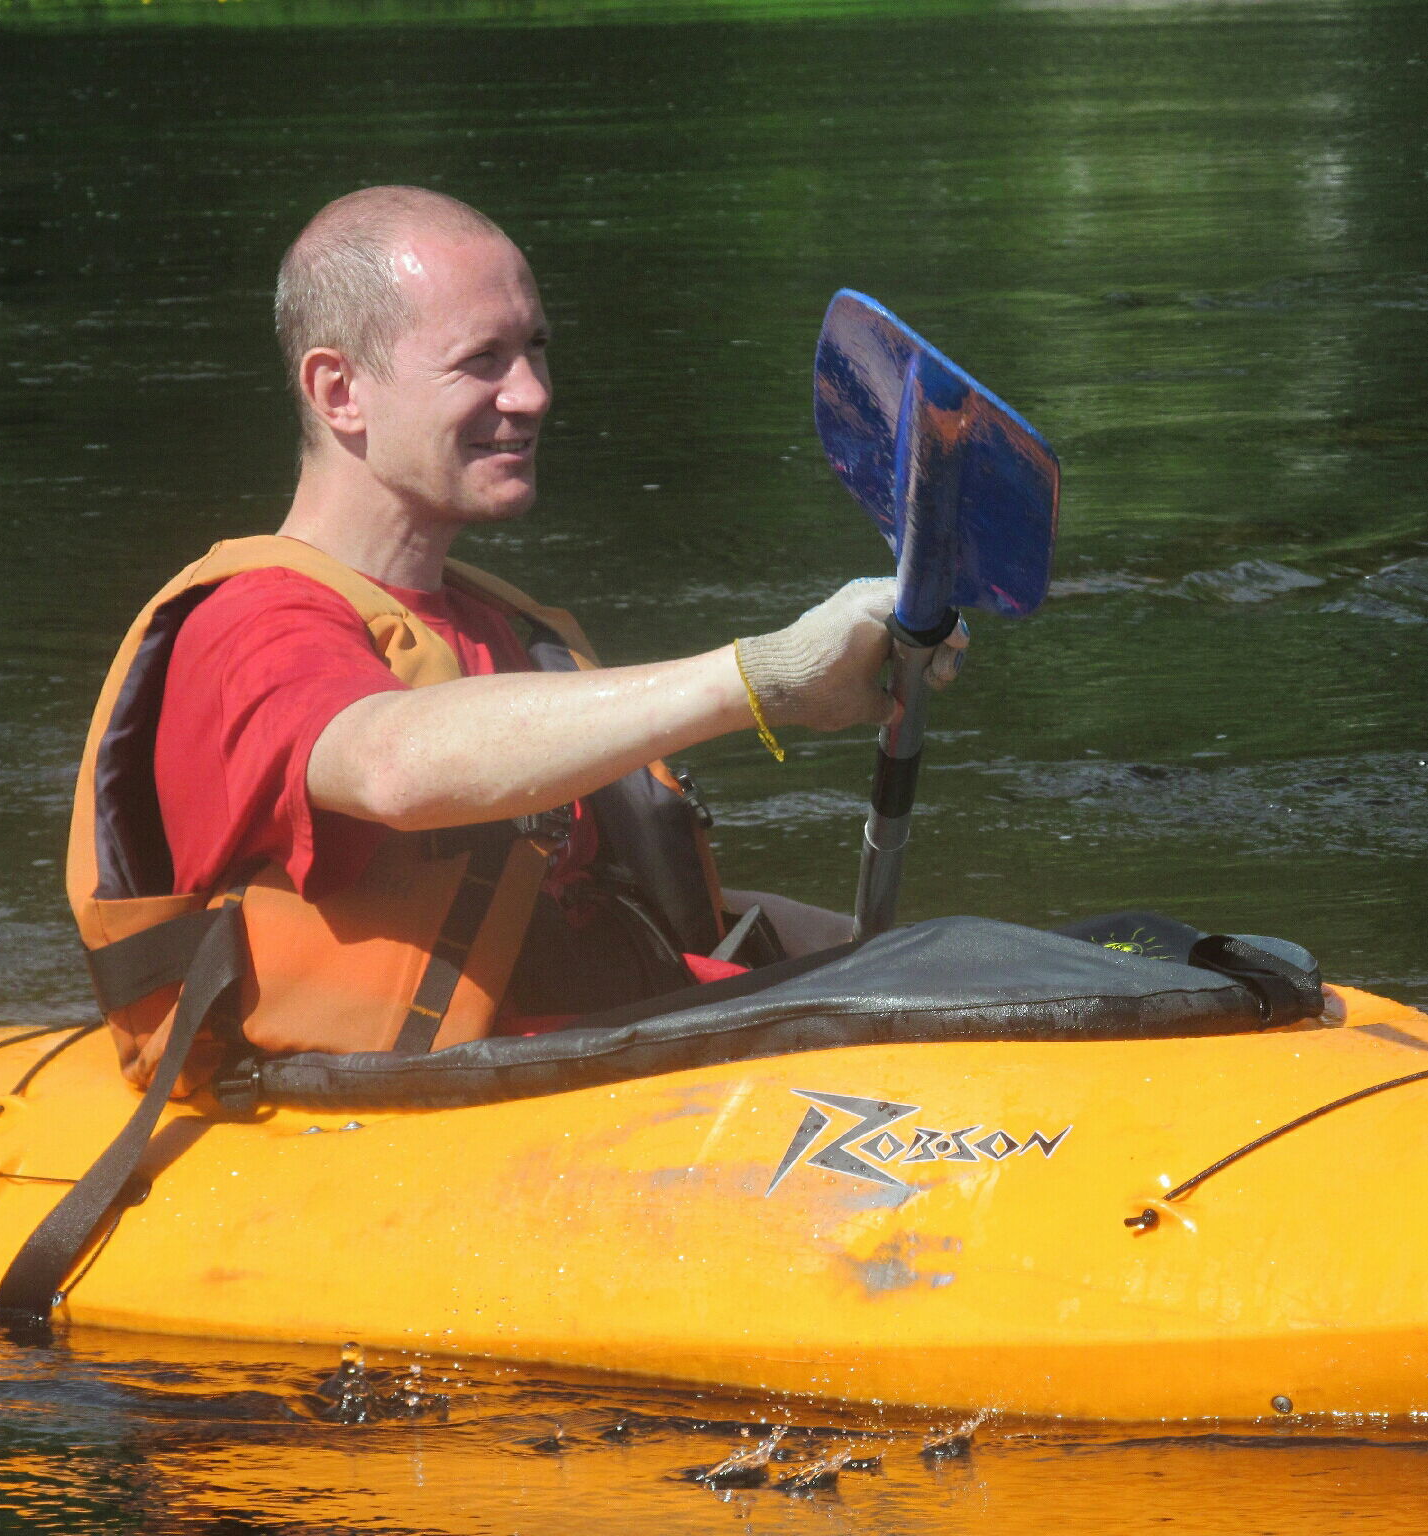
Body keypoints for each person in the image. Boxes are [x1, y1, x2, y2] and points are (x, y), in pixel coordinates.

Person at [69, 186, 968, 1091]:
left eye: (535, 347)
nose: (533, 394)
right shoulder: (249, 628)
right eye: (480, 361)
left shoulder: (502, 625)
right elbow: (392, 764)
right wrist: (761, 678)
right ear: (339, 392)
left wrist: (912, 965)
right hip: (400, 1126)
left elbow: (618, 913)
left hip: (594, 1061)